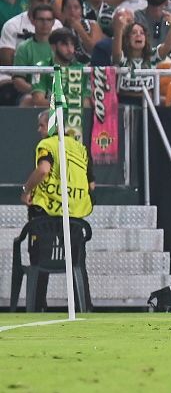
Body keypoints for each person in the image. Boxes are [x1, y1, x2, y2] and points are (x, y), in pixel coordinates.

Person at [16, 110, 94, 312]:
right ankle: (84, 307)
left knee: (40, 262)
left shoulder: (47, 145)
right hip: (74, 215)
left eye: (41, 125)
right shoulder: (80, 148)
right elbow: (91, 185)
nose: (38, 130)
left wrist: (26, 190)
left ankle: (37, 306)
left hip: (45, 214)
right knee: (77, 263)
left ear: (50, 126)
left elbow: (43, 170)